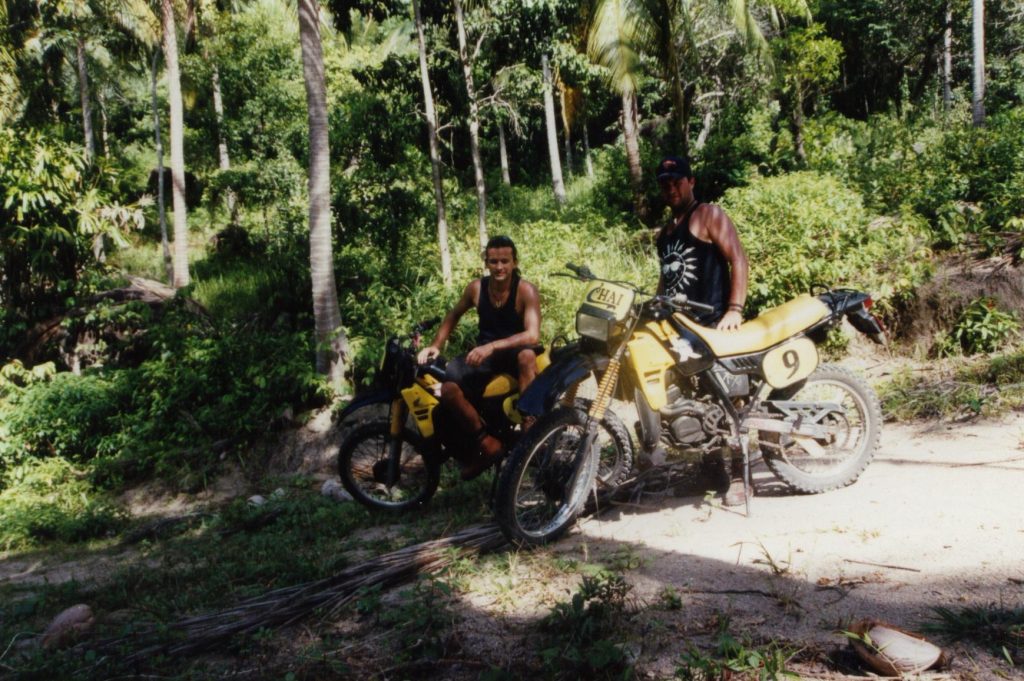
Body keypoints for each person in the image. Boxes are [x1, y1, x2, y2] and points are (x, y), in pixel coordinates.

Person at [655, 155, 751, 506]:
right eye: (665, 183)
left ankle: (742, 476)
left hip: (715, 324)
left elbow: (737, 258)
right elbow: (666, 281)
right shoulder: (665, 233)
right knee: (695, 405)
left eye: (677, 181)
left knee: (731, 401)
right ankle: (711, 473)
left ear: (691, 181)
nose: (671, 187)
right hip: (683, 331)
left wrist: (735, 310)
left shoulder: (709, 214)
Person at [417, 235, 542, 480]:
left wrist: (493, 346)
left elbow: (532, 335)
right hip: (486, 353)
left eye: (505, 261)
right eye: (493, 261)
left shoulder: (526, 290)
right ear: (486, 262)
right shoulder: (476, 288)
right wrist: (435, 345)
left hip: (514, 350)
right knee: (449, 388)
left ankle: (530, 425)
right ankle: (486, 443)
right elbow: (453, 315)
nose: (499, 267)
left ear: (514, 262)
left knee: (527, 356)